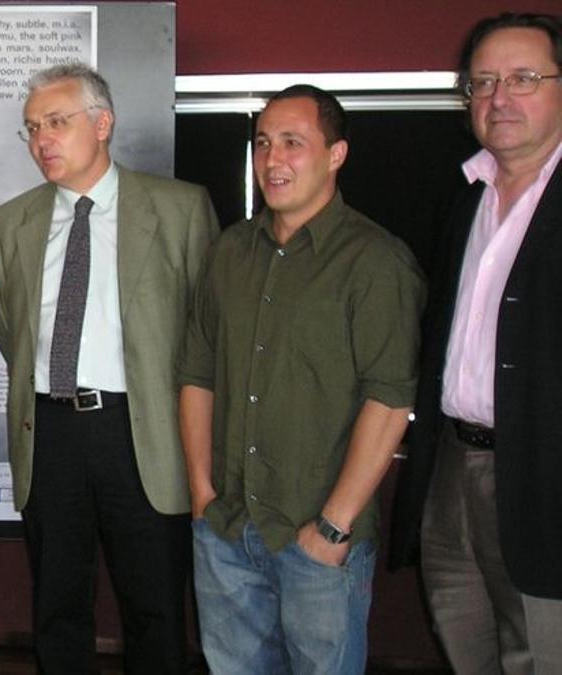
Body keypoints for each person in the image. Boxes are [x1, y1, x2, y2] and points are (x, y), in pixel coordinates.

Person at [177, 84, 426, 674]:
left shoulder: (376, 262)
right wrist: (201, 496)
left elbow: (390, 402)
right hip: (227, 529)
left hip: (318, 539)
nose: (272, 159)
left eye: (293, 142)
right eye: (263, 143)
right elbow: (196, 374)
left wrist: (332, 528)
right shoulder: (229, 252)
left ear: (336, 154)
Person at [0, 62, 218, 673]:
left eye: (57, 122)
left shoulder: (180, 209)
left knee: (156, 609)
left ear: (104, 123)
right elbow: (16, 338)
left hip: (141, 431)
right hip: (50, 432)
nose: (42, 140)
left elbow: (205, 337)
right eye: (32, 128)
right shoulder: (11, 223)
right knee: (58, 609)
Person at [389, 13, 562, 674]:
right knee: (466, 650)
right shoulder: (465, 199)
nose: (499, 98)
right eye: (483, 81)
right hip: (452, 471)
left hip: (542, 482)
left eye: (523, 78)